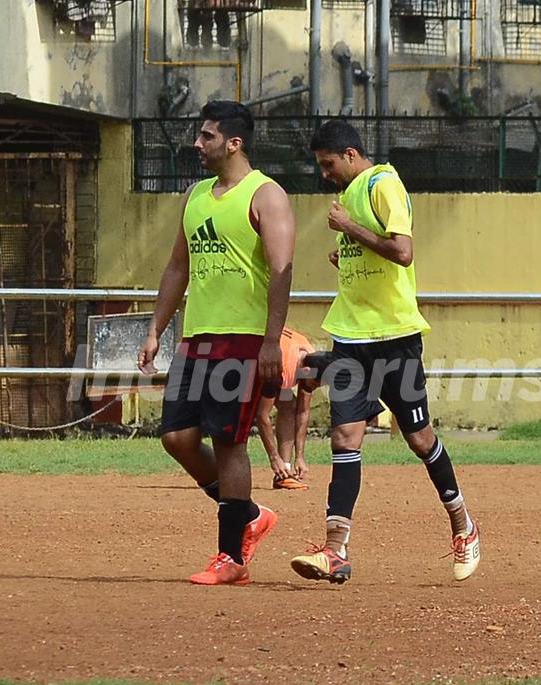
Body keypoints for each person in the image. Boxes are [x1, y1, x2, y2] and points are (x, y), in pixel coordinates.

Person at [289, 120, 480, 584]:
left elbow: (402, 252)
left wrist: (349, 229)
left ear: (351, 154)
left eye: (329, 164)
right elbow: (369, 255)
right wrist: (346, 250)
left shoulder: (382, 184)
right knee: (345, 437)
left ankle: (463, 525)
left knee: (419, 440)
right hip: (352, 338)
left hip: (394, 338)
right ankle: (335, 550)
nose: (325, 173)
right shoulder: (351, 195)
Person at [138, 100, 296, 586]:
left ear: (234, 143)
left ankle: (232, 558)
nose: (196, 144)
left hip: (244, 341)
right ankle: (247, 513)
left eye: (206, 136)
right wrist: (155, 329)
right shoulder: (195, 196)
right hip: (197, 338)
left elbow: (281, 273)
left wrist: (272, 342)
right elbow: (177, 267)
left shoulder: (266, 196)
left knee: (229, 443)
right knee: (176, 438)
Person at [256, 327, 314, 490]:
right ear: (306, 371)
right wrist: (274, 458)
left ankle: (285, 472)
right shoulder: (282, 367)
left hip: (267, 361)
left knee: (289, 406)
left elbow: (303, 411)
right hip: (247, 364)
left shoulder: (310, 357)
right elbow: (262, 416)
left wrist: (300, 457)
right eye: (314, 384)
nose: (311, 388)